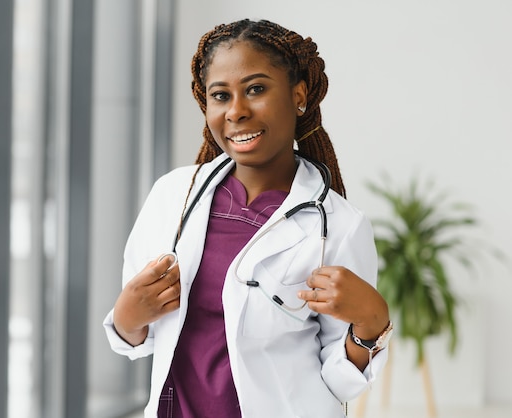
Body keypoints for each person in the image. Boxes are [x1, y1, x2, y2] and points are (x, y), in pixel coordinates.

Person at [103, 18, 391, 418]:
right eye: (220, 95)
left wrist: (371, 324)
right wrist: (126, 317)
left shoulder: (338, 225)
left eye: (255, 89)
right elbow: (138, 337)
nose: (236, 111)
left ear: (299, 95)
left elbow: (339, 382)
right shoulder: (173, 196)